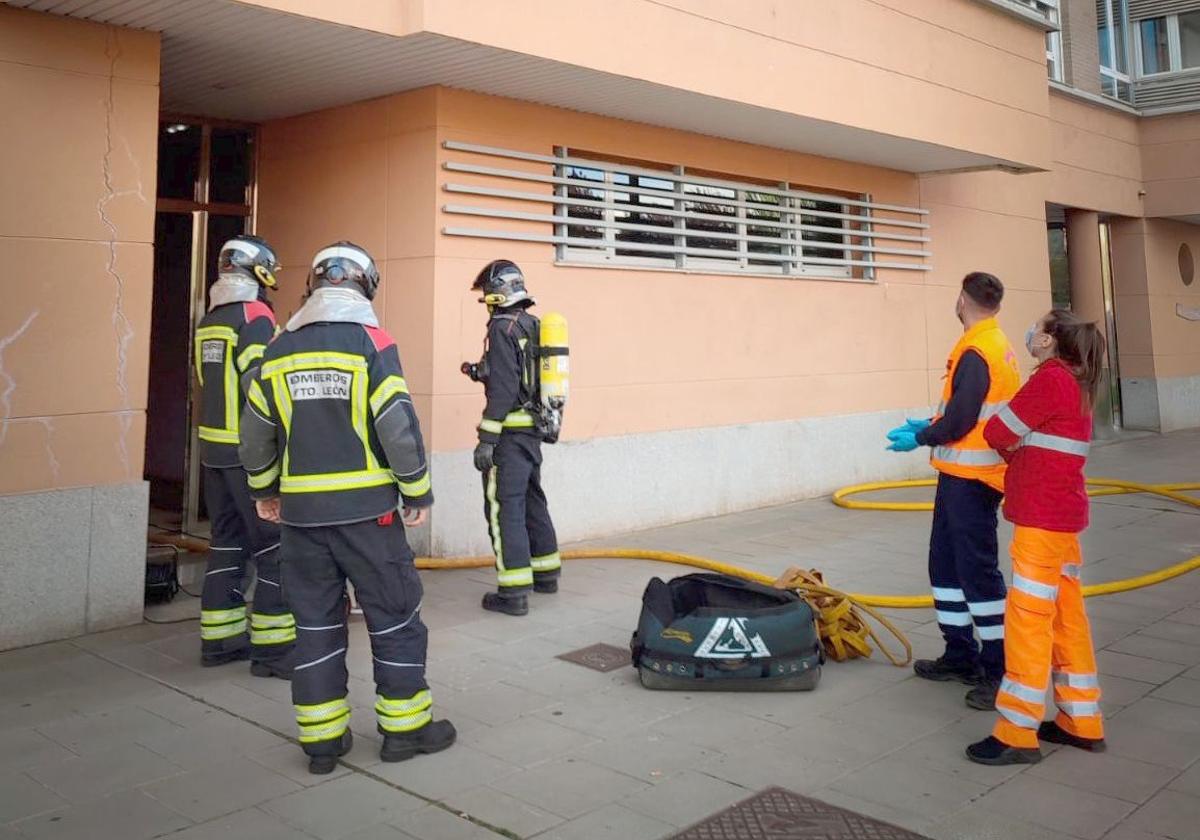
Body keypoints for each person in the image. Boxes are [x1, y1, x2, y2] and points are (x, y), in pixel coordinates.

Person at [239, 241, 455, 774]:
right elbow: (398, 425)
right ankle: (405, 731)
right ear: (366, 286)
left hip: (302, 521)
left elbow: (255, 434)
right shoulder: (372, 343)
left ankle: (322, 743)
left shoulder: (278, 348)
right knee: (394, 615)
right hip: (368, 518)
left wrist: (266, 491)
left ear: (313, 286)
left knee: (313, 625)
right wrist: (416, 490)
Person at [967, 309, 1107, 765]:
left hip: (1041, 519)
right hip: (1063, 516)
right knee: (1067, 615)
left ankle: (1016, 731)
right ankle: (1080, 721)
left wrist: (1012, 448)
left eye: (1039, 327)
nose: (1032, 332)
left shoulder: (1049, 380)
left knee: (1028, 619)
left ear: (1049, 341)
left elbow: (998, 430)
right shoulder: (1078, 381)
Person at [886, 272, 1020, 709]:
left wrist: (922, 438)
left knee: (977, 573)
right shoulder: (991, 343)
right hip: (959, 477)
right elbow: (969, 412)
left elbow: (962, 419)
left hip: (973, 481)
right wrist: (928, 426)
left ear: (962, 299)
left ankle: (997, 670)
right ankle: (960, 654)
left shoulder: (978, 350)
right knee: (944, 567)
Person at [194, 235, 294, 677]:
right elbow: (261, 384)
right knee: (275, 546)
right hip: (247, 453)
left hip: (212, 450)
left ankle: (220, 640)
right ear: (261, 270)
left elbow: (203, 378)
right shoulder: (255, 316)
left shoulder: (209, 320)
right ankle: (274, 652)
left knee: (226, 543)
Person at [464, 259, 561, 617]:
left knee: (506, 508)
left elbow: (504, 390)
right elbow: (522, 378)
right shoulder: (533, 325)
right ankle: (546, 573)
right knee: (533, 500)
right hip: (533, 431)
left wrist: (486, 438)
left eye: (487, 295)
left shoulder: (501, 328)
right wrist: (480, 372)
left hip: (509, 435)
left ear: (496, 294)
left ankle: (513, 591)